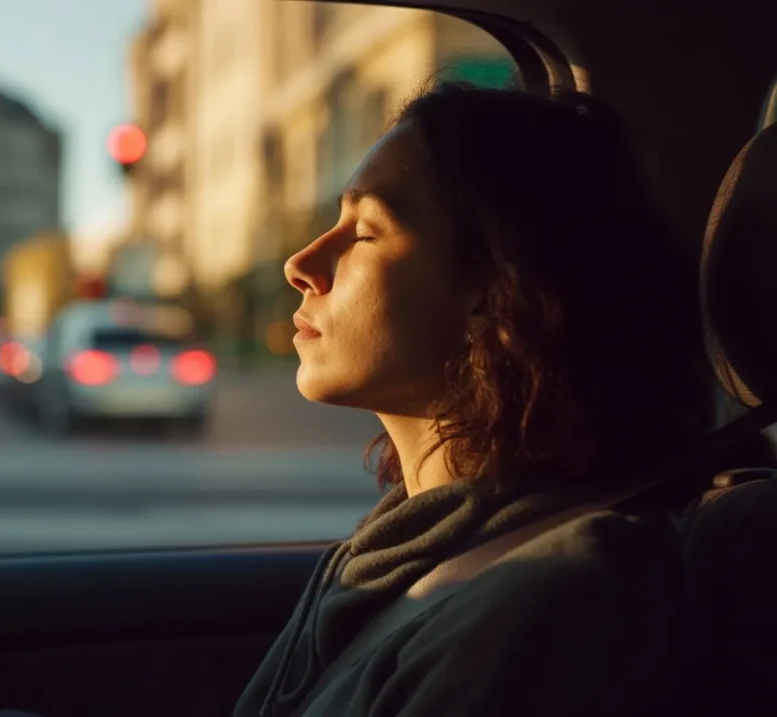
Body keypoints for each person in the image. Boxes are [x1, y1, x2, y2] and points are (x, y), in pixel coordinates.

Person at [233, 82, 716, 717]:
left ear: (498, 288)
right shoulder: (403, 552)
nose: (302, 262)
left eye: (366, 230)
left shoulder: (552, 603)